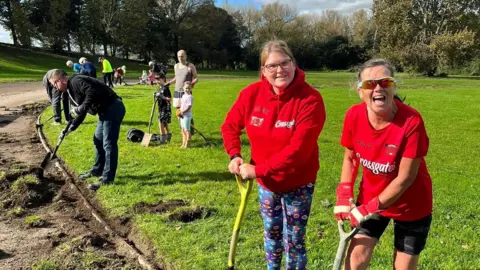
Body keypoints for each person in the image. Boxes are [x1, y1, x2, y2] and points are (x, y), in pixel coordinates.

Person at [221, 40, 326, 270]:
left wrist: (257, 170)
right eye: (272, 66)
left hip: (298, 183)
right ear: (263, 71)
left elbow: (298, 152)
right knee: (271, 234)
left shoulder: (310, 100)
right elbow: (230, 125)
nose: (279, 70)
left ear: (294, 63)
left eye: (284, 63)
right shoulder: (251, 94)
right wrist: (234, 155)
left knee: (294, 241)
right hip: (267, 185)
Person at [334, 58, 433, 270]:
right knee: (355, 260)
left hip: (411, 205)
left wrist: (369, 208)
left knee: (403, 267)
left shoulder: (412, 121)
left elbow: (405, 178)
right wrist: (344, 193)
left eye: (385, 82)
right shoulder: (354, 115)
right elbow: (350, 158)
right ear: (361, 92)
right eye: (370, 84)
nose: (378, 88)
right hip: (371, 197)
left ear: (393, 86)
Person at [48, 69, 126, 191]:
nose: (55, 88)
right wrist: (70, 128)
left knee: (108, 144)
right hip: (105, 112)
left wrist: (81, 108)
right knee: (98, 140)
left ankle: (107, 179)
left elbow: (91, 92)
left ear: (61, 80)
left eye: (54, 84)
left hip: (113, 108)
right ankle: (97, 170)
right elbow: (82, 111)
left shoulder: (76, 81)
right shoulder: (71, 89)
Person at [166, 49, 198, 135]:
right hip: (177, 91)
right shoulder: (175, 66)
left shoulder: (190, 66)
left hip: (186, 92)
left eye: (182, 56)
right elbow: (176, 78)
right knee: (178, 112)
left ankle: (190, 130)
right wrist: (168, 83)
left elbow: (196, 77)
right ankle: (182, 129)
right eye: (179, 56)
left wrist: (191, 84)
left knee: (186, 111)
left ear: (186, 56)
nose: (180, 58)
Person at [154, 74, 172, 143]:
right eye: (156, 80)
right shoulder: (159, 88)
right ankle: (168, 137)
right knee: (164, 123)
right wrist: (156, 96)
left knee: (160, 122)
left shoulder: (166, 88)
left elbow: (169, 99)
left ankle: (162, 139)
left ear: (164, 79)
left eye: (159, 79)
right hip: (160, 108)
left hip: (165, 108)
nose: (157, 81)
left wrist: (162, 97)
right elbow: (158, 98)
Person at [178, 82, 193, 148]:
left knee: (187, 130)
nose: (187, 89)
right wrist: (179, 110)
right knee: (183, 129)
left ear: (191, 89)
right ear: (183, 88)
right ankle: (183, 143)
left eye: (189, 88)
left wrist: (183, 112)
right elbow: (182, 105)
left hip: (187, 115)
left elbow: (189, 107)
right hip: (182, 115)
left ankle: (187, 144)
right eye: (186, 88)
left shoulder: (190, 97)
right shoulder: (183, 96)